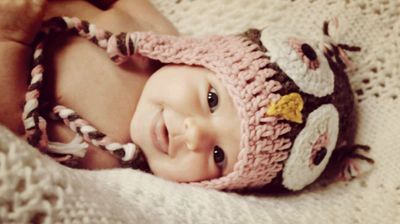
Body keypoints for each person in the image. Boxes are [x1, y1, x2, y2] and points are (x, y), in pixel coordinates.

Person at [0, 0, 372, 191]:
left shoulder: (102, 152)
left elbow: (13, 124)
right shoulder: (153, 30)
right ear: (198, 58)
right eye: (211, 100)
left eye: (218, 155)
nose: (193, 135)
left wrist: (11, 39)